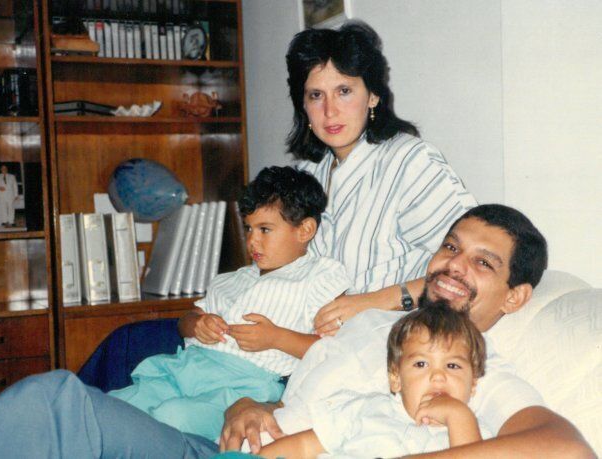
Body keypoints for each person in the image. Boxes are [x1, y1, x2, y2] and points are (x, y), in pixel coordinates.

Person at [220, 204, 594, 458]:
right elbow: (305, 407)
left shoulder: (468, 369)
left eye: (482, 262)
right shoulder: (373, 323)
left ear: (514, 298)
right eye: (451, 247)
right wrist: (248, 406)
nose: (454, 265)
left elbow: (569, 449)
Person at [105, 166, 351, 441]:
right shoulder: (230, 280)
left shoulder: (319, 276)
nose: (251, 240)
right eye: (248, 228)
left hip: (243, 387)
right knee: (117, 406)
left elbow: (334, 350)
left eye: (265, 229)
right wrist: (197, 324)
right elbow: (184, 321)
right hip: (186, 368)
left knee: (171, 418)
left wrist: (276, 338)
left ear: (305, 230)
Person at [285, 21, 476, 336]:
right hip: (310, 348)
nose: (329, 111)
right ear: (303, 105)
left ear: (372, 95)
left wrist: (373, 301)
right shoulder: (306, 176)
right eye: (316, 95)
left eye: (344, 91)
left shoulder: (410, 162)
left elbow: (466, 268)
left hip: (390, 343)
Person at [258, 304, 490, 457]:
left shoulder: (478, 435)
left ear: (473, 385)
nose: (438, 376)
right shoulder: (364, 408)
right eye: (421, 364)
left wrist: (458, 416)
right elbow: (303, 445)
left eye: (453, 366)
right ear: (396, 379)